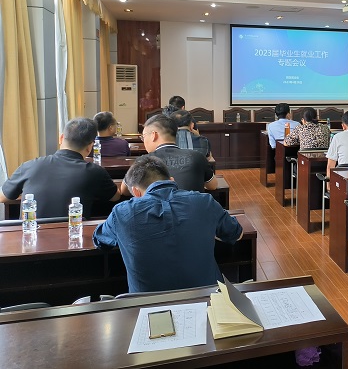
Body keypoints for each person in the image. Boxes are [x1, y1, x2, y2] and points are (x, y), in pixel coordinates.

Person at [93, 155, 243, 293]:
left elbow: (100, 240)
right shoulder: (204, 201)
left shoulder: (122, 213)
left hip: (147, 305)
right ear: (172, 180)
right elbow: (237, 233)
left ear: (136, 192)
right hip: (208, 298)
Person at [1, 117, 119, 218]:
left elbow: (3, 197)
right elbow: (115, 197)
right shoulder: (95, 172)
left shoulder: (29, 166)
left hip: (31, 236)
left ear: (61, 138)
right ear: (90, 147)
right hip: (74, 235)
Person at [121, 114, 217, 194]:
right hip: (191, 210)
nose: (143, 141)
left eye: (144, 136)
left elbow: (124, 190)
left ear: (154, 135)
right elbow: (213, 185)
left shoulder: (143, 161)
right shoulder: (197, 156)